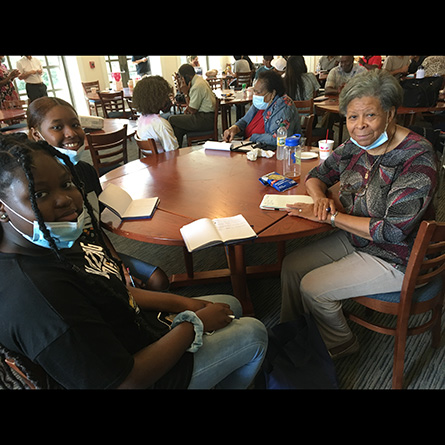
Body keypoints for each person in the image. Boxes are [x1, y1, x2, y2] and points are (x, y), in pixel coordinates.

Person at [0, 133, 268, 389]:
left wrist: (186, 303)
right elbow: (122, 383)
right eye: (39, 194)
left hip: (137, 334)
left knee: (229, 305)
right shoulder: (38, 301)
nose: (65, 199)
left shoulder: (50, 243)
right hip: (138, 376)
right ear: (3, 208)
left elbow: (110, 288)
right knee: (253, 333)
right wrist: (193, 324)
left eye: (67, 184)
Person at [280, 70, 437, 359]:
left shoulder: (418, 157)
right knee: (292, 265)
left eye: (370, 116)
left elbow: (391, 231)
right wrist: (319, 200)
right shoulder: (355, 146)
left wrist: (330, 218)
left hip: (400, 256)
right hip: (358, 238)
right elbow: (317, 175)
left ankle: (340, 343)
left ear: (390, 114)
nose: (359, 126)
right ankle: (295, 332)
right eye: (352, 117)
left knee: (313, 287)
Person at [26, 96, 169, 291]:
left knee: (158, 280)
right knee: (123, 293)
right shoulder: (32, 185)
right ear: (36, 135)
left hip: (97, 251)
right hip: (66, 263)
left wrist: (118, 266)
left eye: (75, 125)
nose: (71, 134)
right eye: (57, 127)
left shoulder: (85, 171)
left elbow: (96, 229)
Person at [223, 69, 300, 147]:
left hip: (272, 151)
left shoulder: (284, 108)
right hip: (250, 146)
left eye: (258, 92)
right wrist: (233, 128)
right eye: (254, 91)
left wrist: (253, 138)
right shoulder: (262, 102)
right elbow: (245, 121)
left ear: (272, 93)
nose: (255, 95)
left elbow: (278, 138)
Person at [169, 64, 216, 147]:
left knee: (172, 119)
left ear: (186, 77)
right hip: (204, 117)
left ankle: (173, 152)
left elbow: (192, 110)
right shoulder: (199, 80)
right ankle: (176, 152)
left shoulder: (197, 86)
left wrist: (185, 93)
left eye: (181, 78)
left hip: (205, 119)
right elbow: (191, 106)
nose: (180, 80)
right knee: (178, 128)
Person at [132, 76, 179, 152]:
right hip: (165, 162)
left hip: (151, 162)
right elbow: (173, 152)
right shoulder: (162, 125)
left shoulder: (141, 120)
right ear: (158, 98)